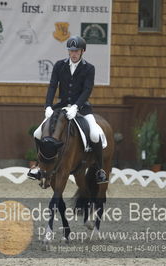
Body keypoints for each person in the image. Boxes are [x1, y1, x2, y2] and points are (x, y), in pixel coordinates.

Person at [29, 36, 108, 184]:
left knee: (95, 134)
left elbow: (87, 90)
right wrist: (48, 106)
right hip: (61, 108)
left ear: (82, 51)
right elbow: (52, 86)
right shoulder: (59, 65)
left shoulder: (89, 68)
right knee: (37, 133)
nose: (73, 53)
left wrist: (76, 106)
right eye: (71, 50)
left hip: (82, 108)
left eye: (76, 51)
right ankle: (38, 165)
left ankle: (100, 170)